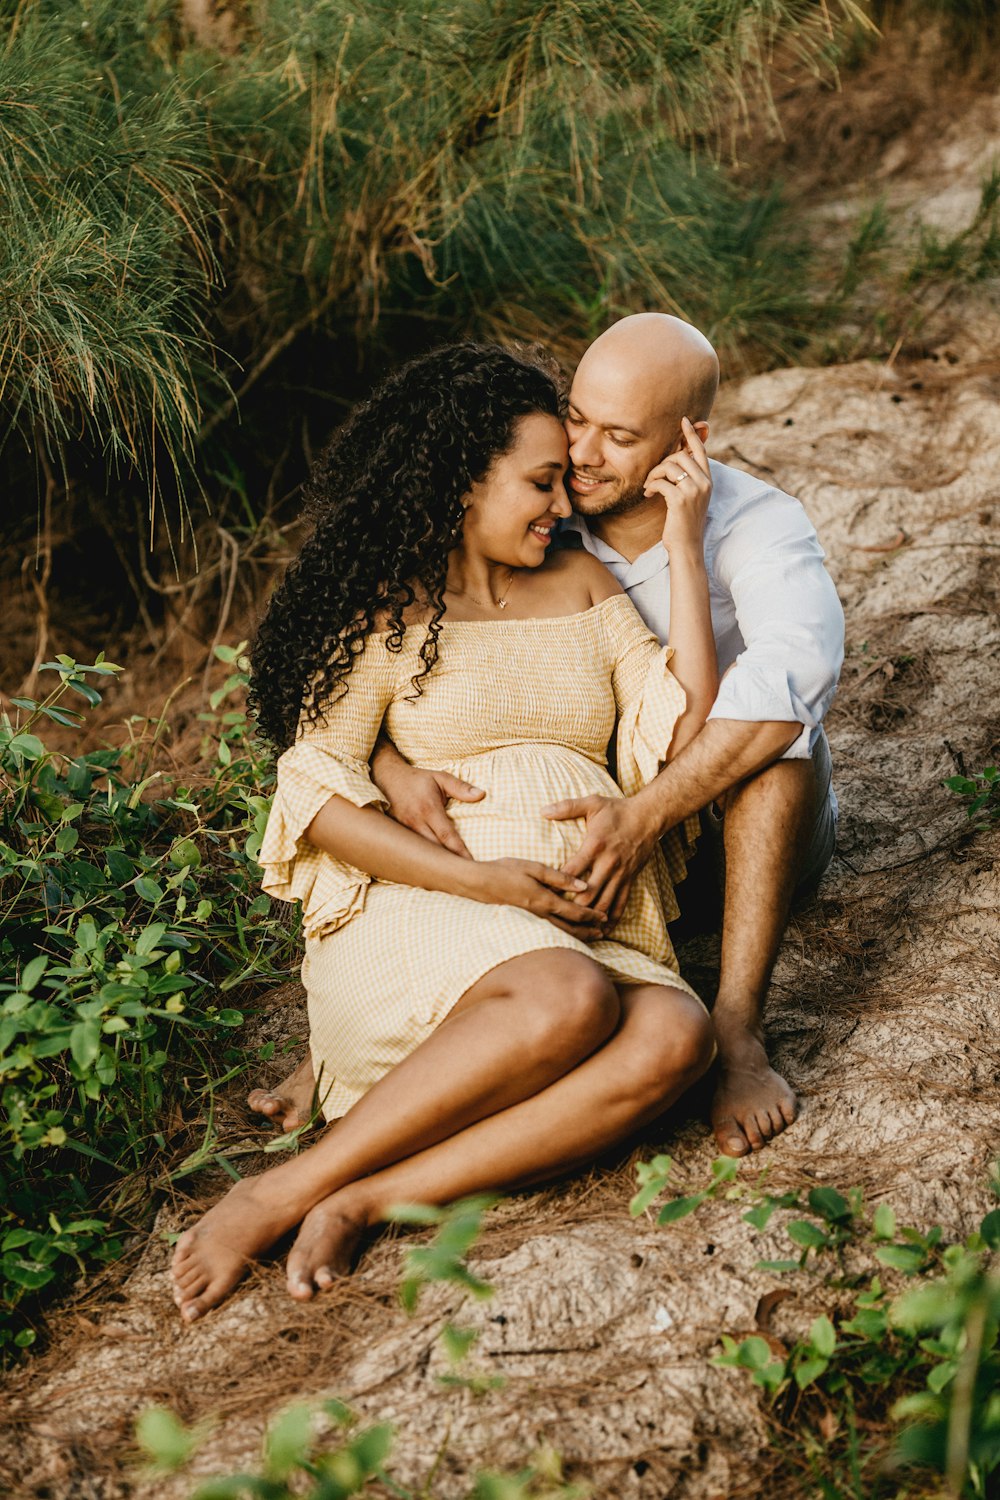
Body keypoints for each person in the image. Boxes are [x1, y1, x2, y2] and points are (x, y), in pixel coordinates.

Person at [171, 341, 719, 1321]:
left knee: (679, 1037)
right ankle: (276, 1192)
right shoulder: (391, 609)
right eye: (541, 482)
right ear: (464, 481)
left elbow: (680, 727)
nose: (564, 504)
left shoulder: (587, 588)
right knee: (567, 995)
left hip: (583, 923)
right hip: (430, 913)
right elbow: (316, 794)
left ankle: (364, 1195)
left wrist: (683, 546)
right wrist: (484, 882)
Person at [294, 314, 845, 1160]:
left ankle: (739, 1034)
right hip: (549, 864)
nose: (581, 456)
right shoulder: (544, 511)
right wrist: (387, 759)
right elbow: (349, 711)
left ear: (687, 440)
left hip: (718, 840)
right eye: (575, 418)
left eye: (616, 436)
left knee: (776, 743)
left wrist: (647, 814)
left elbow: (781, 689)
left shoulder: (755, 529)